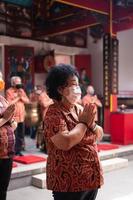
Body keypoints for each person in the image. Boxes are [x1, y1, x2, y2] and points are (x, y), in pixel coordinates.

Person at [44, 64, 104, 200]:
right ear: (60, 89)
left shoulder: (79, 108)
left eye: (78, 85)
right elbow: (66, 142)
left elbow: (99, 133)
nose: (77, 89)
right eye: (73, 85)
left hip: (90, 177)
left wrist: (92, 125)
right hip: (68, 181)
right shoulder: (54, 113)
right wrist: (83, 123)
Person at [0, 71, 17, 200]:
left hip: (8, 152)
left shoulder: (2, 99)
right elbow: (5, 120)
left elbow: (13, 124)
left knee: (3, 188)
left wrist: (11, 120)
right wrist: (5, 119)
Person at [6, 76, 29, 156]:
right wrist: (18, 97)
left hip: (21, 116)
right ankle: (12, 151)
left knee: (21, 135)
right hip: (13, 117)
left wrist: (21, 96)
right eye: (17, 82)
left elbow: (27, 101)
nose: (19, 83)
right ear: (13, 83)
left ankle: (19, 151)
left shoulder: (21, 90)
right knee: (13, 135)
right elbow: (9, 103)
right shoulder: (9, 91)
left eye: (20, 81)